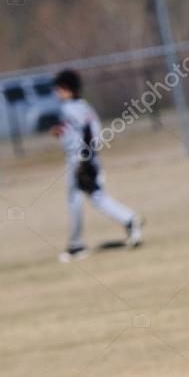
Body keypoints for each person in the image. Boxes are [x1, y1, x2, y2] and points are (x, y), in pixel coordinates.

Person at [51, 69, 144, 262]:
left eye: (59, 88)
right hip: (89, 158)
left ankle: (76, 245)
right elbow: (89, 131)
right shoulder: (84, 106)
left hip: (81, 160)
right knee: (97, 197)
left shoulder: (69, 108)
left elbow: (87, 133)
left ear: (68, 89)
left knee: (76, 201)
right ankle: (129, 219)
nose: (57, 92)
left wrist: (83, 161)